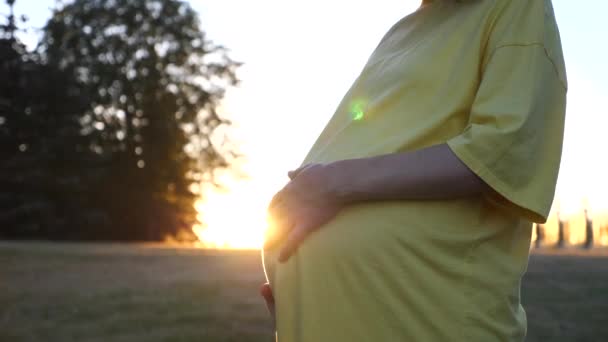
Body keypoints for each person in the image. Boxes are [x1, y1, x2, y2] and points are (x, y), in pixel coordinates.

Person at [261, 0, 567, 340]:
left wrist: (333, 183)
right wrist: (301, 288)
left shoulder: (516, 6)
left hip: (430, 319)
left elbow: (503, 150)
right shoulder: (401, 33)